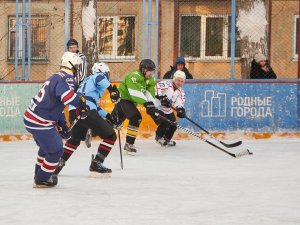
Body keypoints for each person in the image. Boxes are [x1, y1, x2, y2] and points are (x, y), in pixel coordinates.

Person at [23, 52, 89, 188]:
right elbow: (67, 97)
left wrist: (62, 124)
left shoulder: (56, 76)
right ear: (72, 65)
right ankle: (42, 179)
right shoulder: (67, 78)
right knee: (56, 151)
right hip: (40, 121)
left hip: (31, 118)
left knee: (46, 147)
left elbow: (57, 104)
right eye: (77, 66)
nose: (78, 69)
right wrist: (81, 101)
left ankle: (39, 173)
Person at [54, 62, 120, 176]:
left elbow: (93, 105)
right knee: (111, 136)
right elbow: (100, 78)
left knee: (74, 140)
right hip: (86, 111)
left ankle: (57, 164)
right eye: (107, 74)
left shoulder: (86, 81)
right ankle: (97, 163)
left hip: (75, 111)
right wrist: (111, 89)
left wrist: (108, 116)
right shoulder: (98, 76)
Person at [111, 59, 157, 155]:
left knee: (114, 121)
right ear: (144, 70)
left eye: (153, 71)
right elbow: (135, 93)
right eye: (150, 71)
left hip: (130, 102)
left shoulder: (150, 79)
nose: (151, 74)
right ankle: (129, 144)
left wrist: (151, 104)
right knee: (136, 117)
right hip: (123, 99)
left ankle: (93, 130)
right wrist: (146, 103)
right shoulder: (133, 76)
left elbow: (149, 92)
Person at [66, 38, 92, 147]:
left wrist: (79, 86)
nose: (72, 49)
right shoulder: (66, 56)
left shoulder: (81, 57)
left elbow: (83, 74)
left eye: (74, 47)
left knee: (81, 108)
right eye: (70, 48)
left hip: (79, 86)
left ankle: (85, 131)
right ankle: (76, 133)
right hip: (70, 85)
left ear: (77, 47)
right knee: (72, 109)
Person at [153, 70, 186, 147]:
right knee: (165, 122)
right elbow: (157, 87)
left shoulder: (181, 91)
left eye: (182, 81)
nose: (180, 83)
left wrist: (180, 108)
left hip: (168, 109)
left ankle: (167, 139)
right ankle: (158, 137)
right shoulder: (167, 83)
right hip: (157, 107)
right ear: (174, 79)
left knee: (174, 125)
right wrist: (161, 97)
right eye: (178, 80)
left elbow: (180, 101)